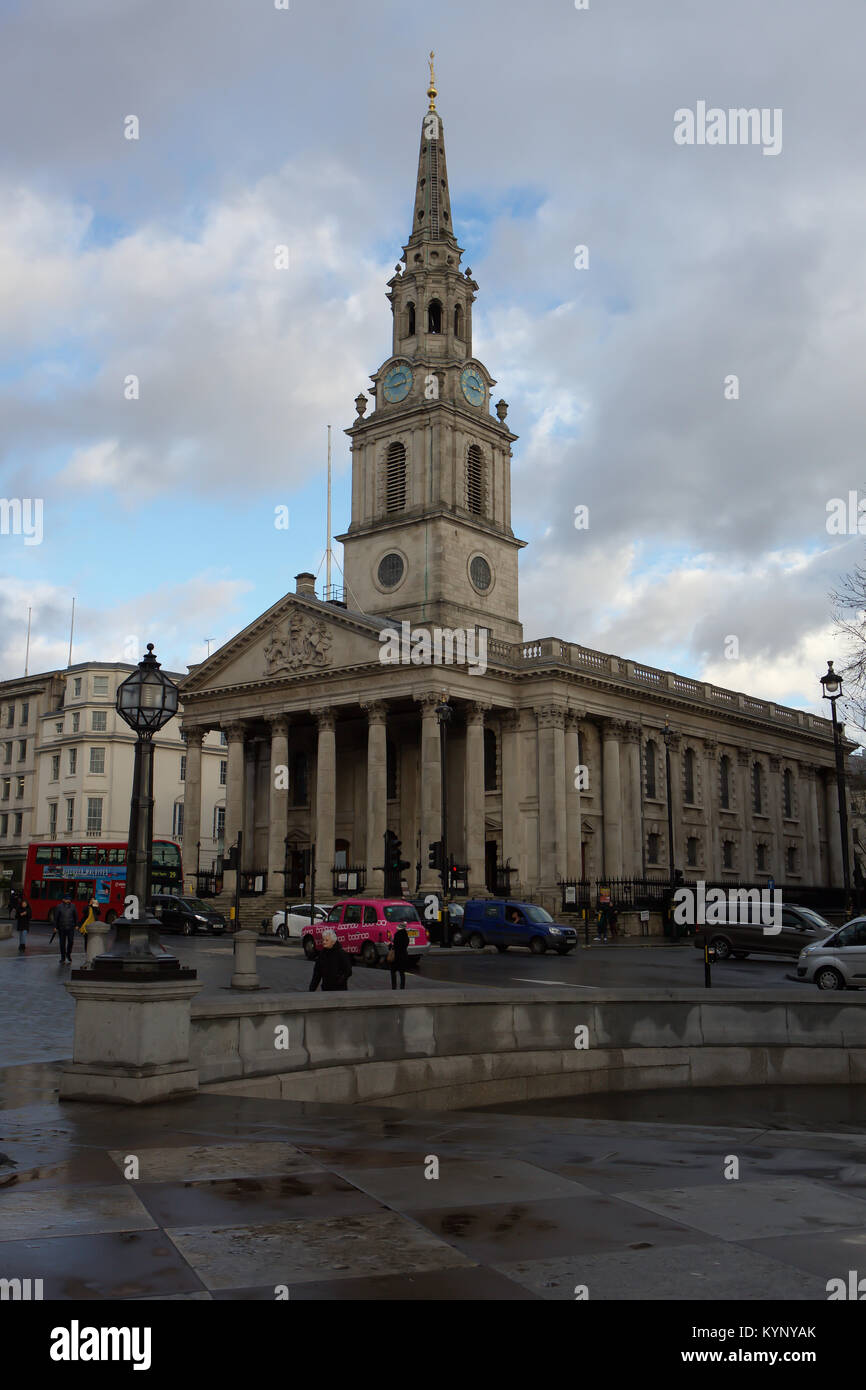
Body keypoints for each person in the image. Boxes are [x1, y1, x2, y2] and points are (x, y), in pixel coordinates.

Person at [54, 895, 78, 965]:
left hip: (70, 927)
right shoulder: (59, 906)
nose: (68, 900)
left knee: (71, 941)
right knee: (62, 943)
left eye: (69, 899)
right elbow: (56, 918)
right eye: (67, 899)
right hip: (62, 927)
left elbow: (76, 916)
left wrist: (76, 925)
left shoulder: (73, 906)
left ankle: (68, 954)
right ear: (63, 899)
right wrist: (55, 927)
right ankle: (63, 957)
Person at [389, 924, 410, 990]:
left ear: (399, 928)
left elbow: (395, 946)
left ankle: (394, 986)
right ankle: (402, 987)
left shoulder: (397, 935)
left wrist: (389, 945)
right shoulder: (406, 936)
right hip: (404, 956)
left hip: (396, 957)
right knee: (402, 973)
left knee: (393, 972)